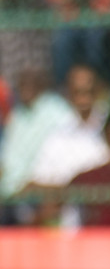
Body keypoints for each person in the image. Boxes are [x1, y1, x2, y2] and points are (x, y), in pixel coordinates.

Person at [0, 68, 74, 218]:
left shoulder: (57, 110)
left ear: (42, 84)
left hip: (37, 192)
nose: (25, 88)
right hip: (10, 193)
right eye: (21, 84)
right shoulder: (18, 114)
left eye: (30, 83)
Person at [29, 63, 108, 191]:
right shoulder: (57, 137)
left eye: (88, 92)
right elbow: (37, 180)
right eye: (77, 93)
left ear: (98, 91)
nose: (83, 100)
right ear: (68, 95)